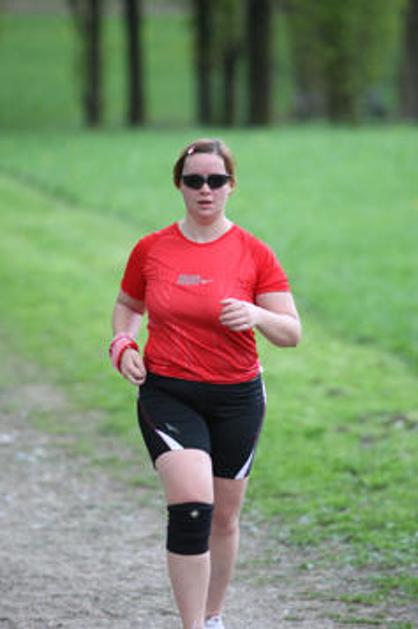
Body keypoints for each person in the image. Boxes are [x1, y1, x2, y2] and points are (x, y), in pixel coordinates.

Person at [109, 138, 301, 629]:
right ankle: (193, 625)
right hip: (168, 390)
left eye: (216, 180)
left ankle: (213, 617)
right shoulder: (152, 249)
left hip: (237, 397)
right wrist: (123, 344)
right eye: (194, 180)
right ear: (179, 184)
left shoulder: (254, 253)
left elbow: (291, 333)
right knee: (193, 506)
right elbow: (129, 305)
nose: (205, 189)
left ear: (231, 185)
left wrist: (257, 314)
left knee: (223, 518)